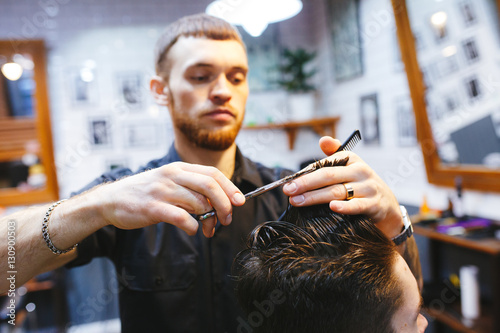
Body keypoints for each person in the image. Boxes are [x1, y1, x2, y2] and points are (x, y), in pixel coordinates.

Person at [0, 13, 420, 332]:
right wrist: (98, 204)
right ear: (160, 90)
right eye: (201, 76)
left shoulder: (296, 193)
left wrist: (393, 222)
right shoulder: (124, 200)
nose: (222, 90)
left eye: (236, 77)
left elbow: (399, 308)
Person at [234, 158, 427, 333]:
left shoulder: (291, 183)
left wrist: (393, 223)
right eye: (413, 319)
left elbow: (403, 299)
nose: (424, 323)